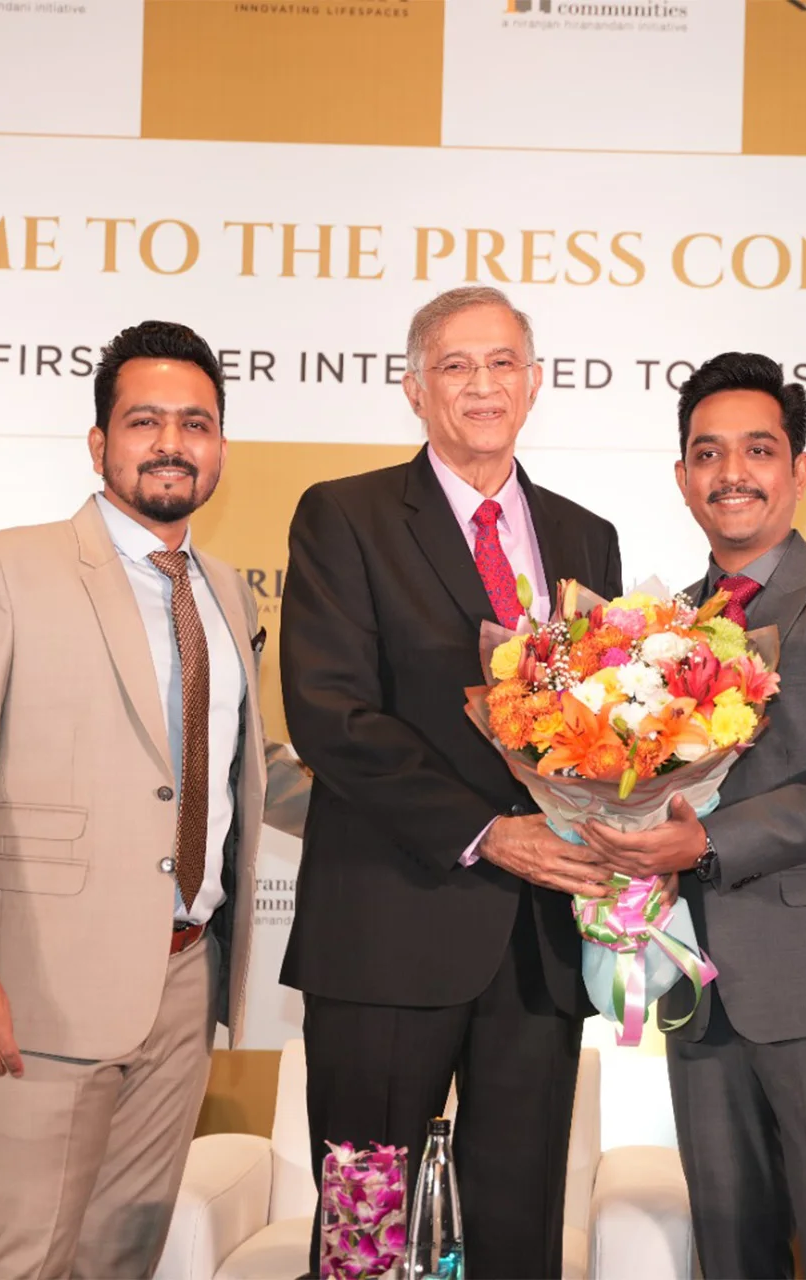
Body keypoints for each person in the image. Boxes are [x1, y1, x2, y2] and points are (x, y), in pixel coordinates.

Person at [0, 319, 310, 1279]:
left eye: (195, 424)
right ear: (99, 444)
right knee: (18, 1258)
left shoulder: (226, 590)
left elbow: (234, 762)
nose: (172, 443)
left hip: (186, 979)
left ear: (220, 449)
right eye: (144, 421)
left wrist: (431, 808)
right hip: (33, 985)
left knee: (120, 1261)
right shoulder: (3, 566)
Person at [278, 286, 623, 1279]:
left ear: (535, 382)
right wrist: (488, 830)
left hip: (539, 947)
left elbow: (601, 728)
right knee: (367, 1234)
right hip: (387, 929)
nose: (482, 385)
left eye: (502, 362)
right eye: (456, 365)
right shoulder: (345, 515)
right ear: (414, 388)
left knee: (519, 1232)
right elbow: (331, 714)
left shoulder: (586, 536)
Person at [581, 352, 806, 1279]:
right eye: (708, 453)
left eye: (758, 450)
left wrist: (705, 842)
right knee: (731, 1252)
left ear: (799, 470)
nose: (731, 473)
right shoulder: (653, 631)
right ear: (682, 476)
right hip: (697, 984)